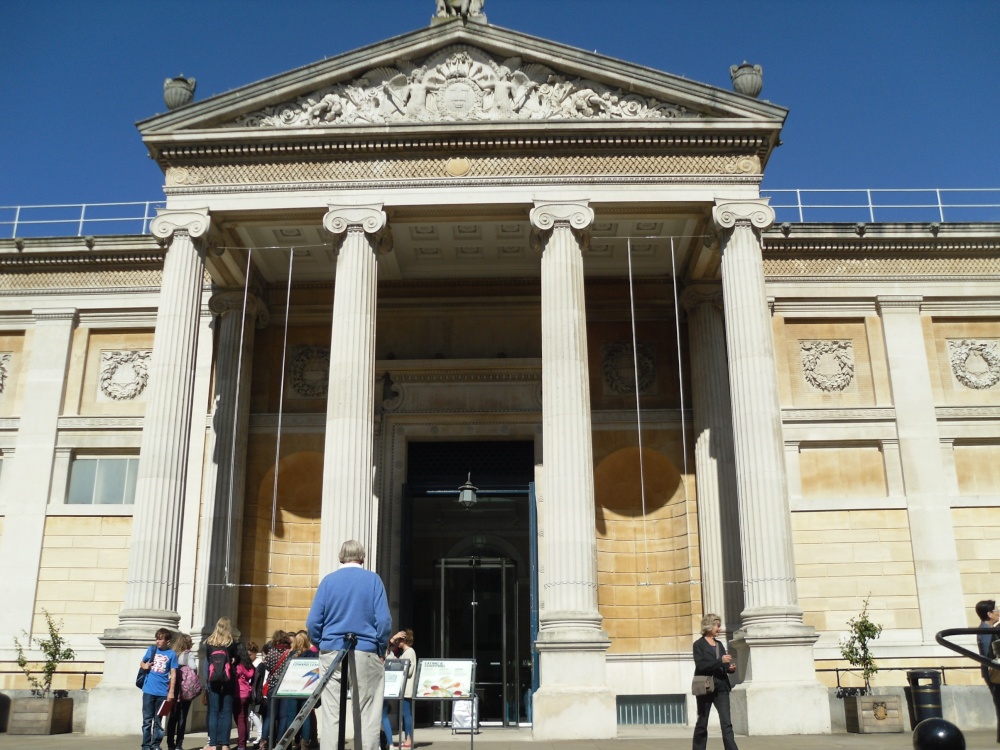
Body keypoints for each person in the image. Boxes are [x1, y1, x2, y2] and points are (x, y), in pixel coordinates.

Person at [307, 540, 391, 750]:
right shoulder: (373, 580)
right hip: (366, 649)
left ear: (340, 557)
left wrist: (321, 643)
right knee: (367, 712)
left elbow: (313, 622)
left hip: (332, 650)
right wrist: (381, 647)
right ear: (362, 558)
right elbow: (383, 621)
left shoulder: (328, 581)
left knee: (331, 711)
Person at [692, 614, 739, 750]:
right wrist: (720, 661)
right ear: (709, 626)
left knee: (726, 723)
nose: (719, 628)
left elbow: (723, 665)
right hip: (705, 687)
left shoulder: (719, 644)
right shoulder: (698, 645)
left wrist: (729, 668)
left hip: (721, 687)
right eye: (717, 626)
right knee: (702, 721)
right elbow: (701, 666)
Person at [276, 631, 318, 748]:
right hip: (307, 689)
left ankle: (291, 741)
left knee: (291, 716)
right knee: (306, 717)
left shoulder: (291, 655)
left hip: (293, 689)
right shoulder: (312, 654)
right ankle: (305, 742)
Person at [140, 628, 179, 750]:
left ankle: (155, 744)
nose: (157, 641)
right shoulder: (151, 650)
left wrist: (171, 692)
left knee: (158, 721)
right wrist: (145, 665)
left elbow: (173, 674)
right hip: (148, 690)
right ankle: (146, 745)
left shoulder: (172, 654)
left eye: (160, 639)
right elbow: (142, 662)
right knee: (147, 721)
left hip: (162, 692)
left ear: (167, 641)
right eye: (157, 638)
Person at [203, 617, 238, 750]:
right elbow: (235, 661)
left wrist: (206, 682)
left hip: (213, 681)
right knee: (226, 711)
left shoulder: (209, 643)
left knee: (213, 711)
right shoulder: (231, 643)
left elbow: (207, 663)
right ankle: (225, 744)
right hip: (228, 680)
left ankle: (212, 744)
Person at [259, 631, 292, 750]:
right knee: (283, 716)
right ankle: (280, 741)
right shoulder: (290, 653)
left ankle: (263, 741)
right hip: (285, 686)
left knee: (270, 716)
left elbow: (267, 666)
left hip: (273, 686)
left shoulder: (271, 652)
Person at [167, 632, 197, 750]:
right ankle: (179, 744)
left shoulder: (173, 654)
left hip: (175, 688)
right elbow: (193, 667)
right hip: (186, 690)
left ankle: (170, 743)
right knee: (182, 716)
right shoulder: (188, 654)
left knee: (172, 716)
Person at [976, 599, 1000, 743]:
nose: (999, 612)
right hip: (995, 675)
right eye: (996, 610)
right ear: (989, 614)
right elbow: (987, 654)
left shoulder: (991, 628)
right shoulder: (984, 630)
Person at [233, 641, 256, 750]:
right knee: (244, 718)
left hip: (238, 694)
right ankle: (244, 741)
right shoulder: (249, 665)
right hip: (247, 693)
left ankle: (241, 744)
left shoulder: (238, 665)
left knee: (240, 719)